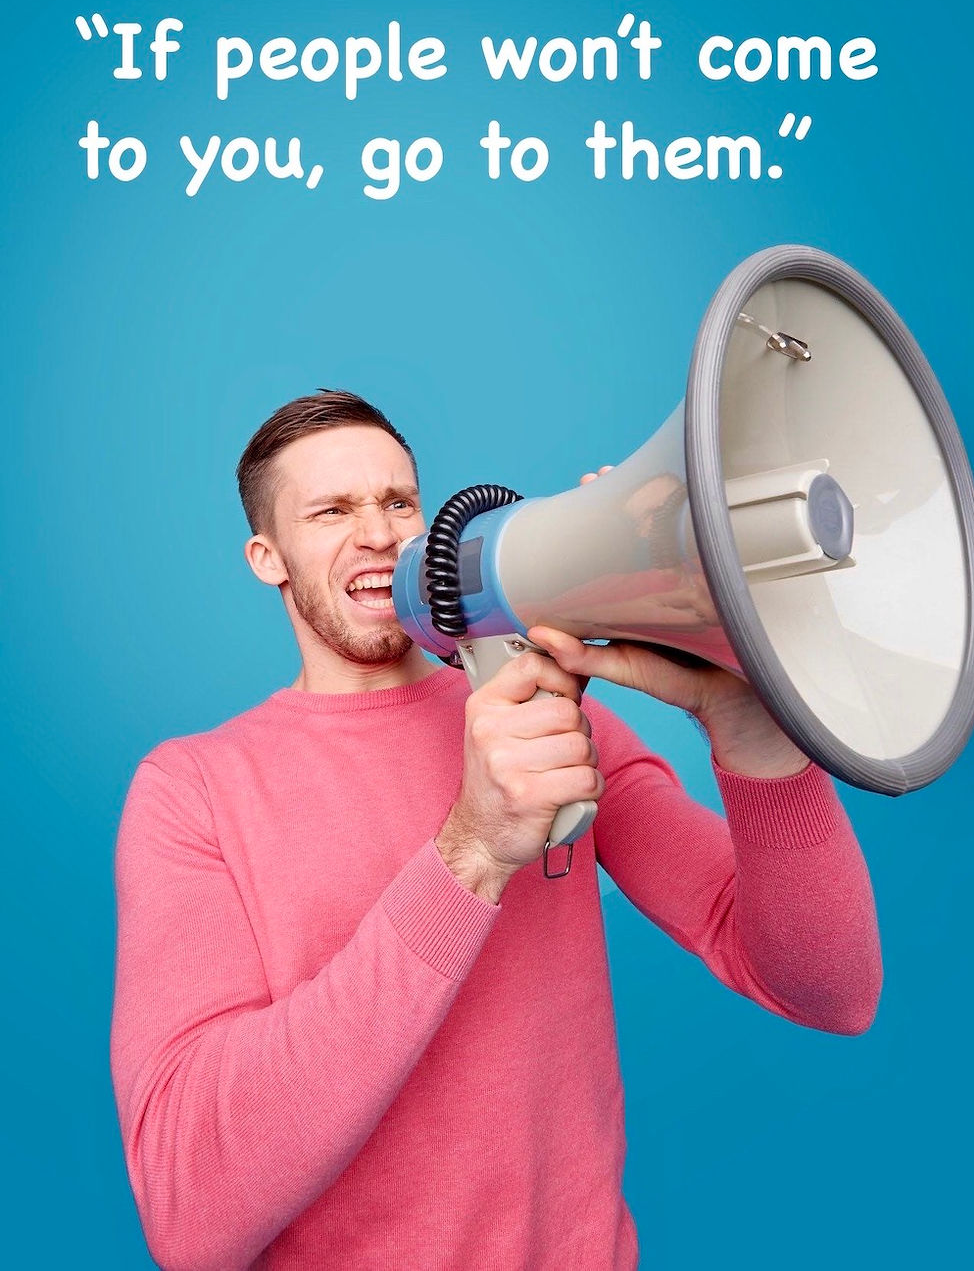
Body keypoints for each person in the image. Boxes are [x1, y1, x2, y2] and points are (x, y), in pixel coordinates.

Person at [110, 390, 882, 1271]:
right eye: (331, 511)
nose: (378, 532)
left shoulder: (543, 716)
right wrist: (471, 851)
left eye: (398, 502)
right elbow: (189, 1214)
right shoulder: (193, 791)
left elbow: (829, 990)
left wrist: (752, 730)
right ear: (267, 557)